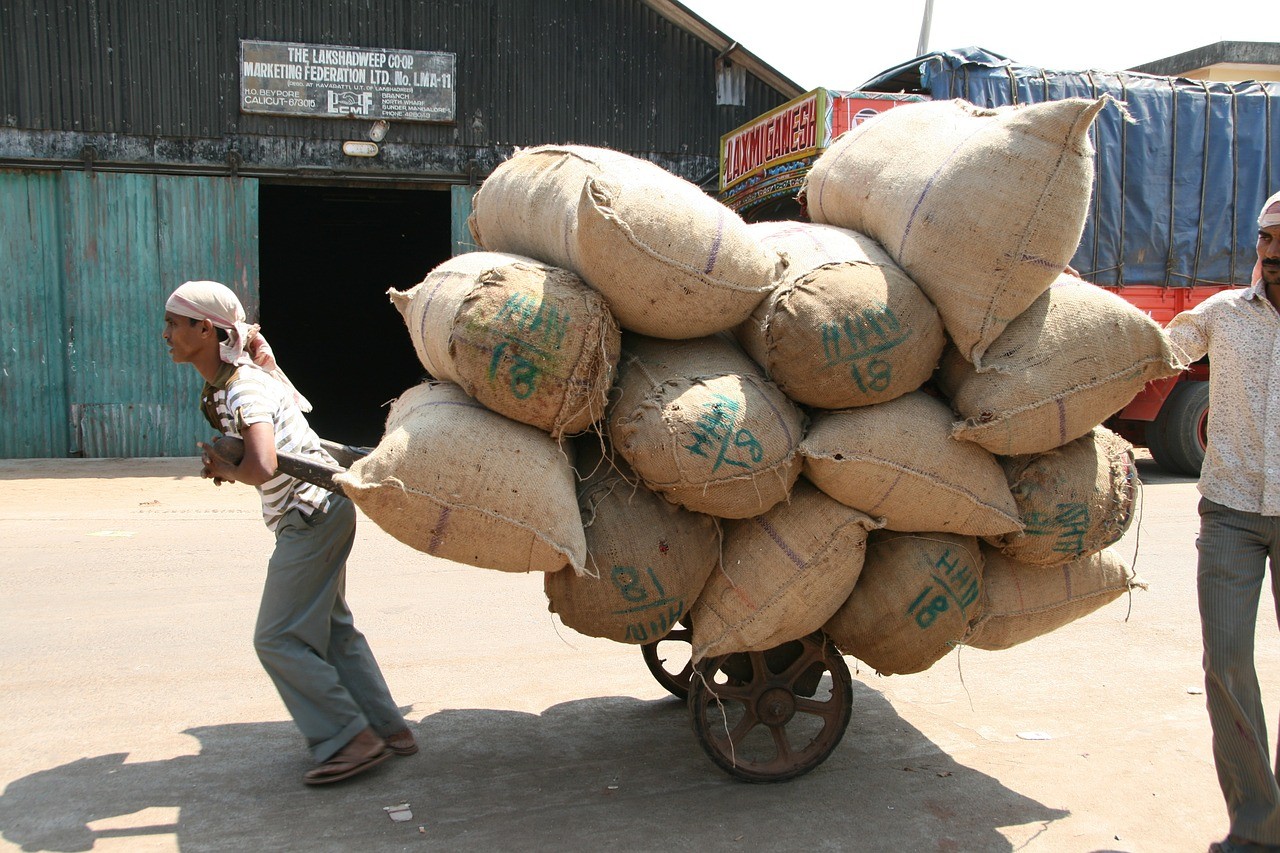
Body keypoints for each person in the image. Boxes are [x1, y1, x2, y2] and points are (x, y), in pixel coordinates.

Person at [162, 279, 416, 786]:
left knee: (277, 638)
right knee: (331, 629)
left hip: (309, 516)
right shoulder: (239, 377)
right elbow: (287, 421)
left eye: (173, 323)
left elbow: (262, 461)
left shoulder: (242, 387)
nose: (165, 333)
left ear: (205, 330)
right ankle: (388, 729)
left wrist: (228, 469)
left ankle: (349, 739)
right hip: (322, 510)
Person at [1166, 191, 1280, 853]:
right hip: (1231, 514)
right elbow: (1163, 349)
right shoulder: (1225, 315)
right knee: (1228, 660)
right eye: (1266, 243)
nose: (1272, 255)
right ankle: (1258, 823)